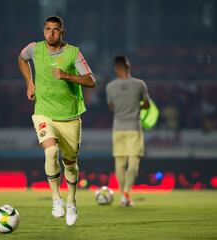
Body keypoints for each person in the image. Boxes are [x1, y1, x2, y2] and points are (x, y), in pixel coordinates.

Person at [18, 15, 96, 225]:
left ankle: (71, 201)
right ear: (43, 31)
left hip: (70, 117)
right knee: (50, 152)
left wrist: (67, 76)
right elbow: (21, 58)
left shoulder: (73, 53)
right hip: (44, 112)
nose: (51, 33)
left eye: (55, 29)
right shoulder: (35, 48)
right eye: (47, 29)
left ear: (62, 32)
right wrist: (29, 83)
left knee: (70, 164)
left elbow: (91, 80)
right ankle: (56, 198)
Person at [106, 56, 150, 207]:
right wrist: (136, 105)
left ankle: (123, 195)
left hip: (118, 128)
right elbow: (147, 105)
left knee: (119, 163)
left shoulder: (110, 87)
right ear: (128, 66)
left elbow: (111, 107)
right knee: (133, 162)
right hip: (133, 127)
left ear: (116, 68)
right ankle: (126, 194)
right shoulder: (140, 84)